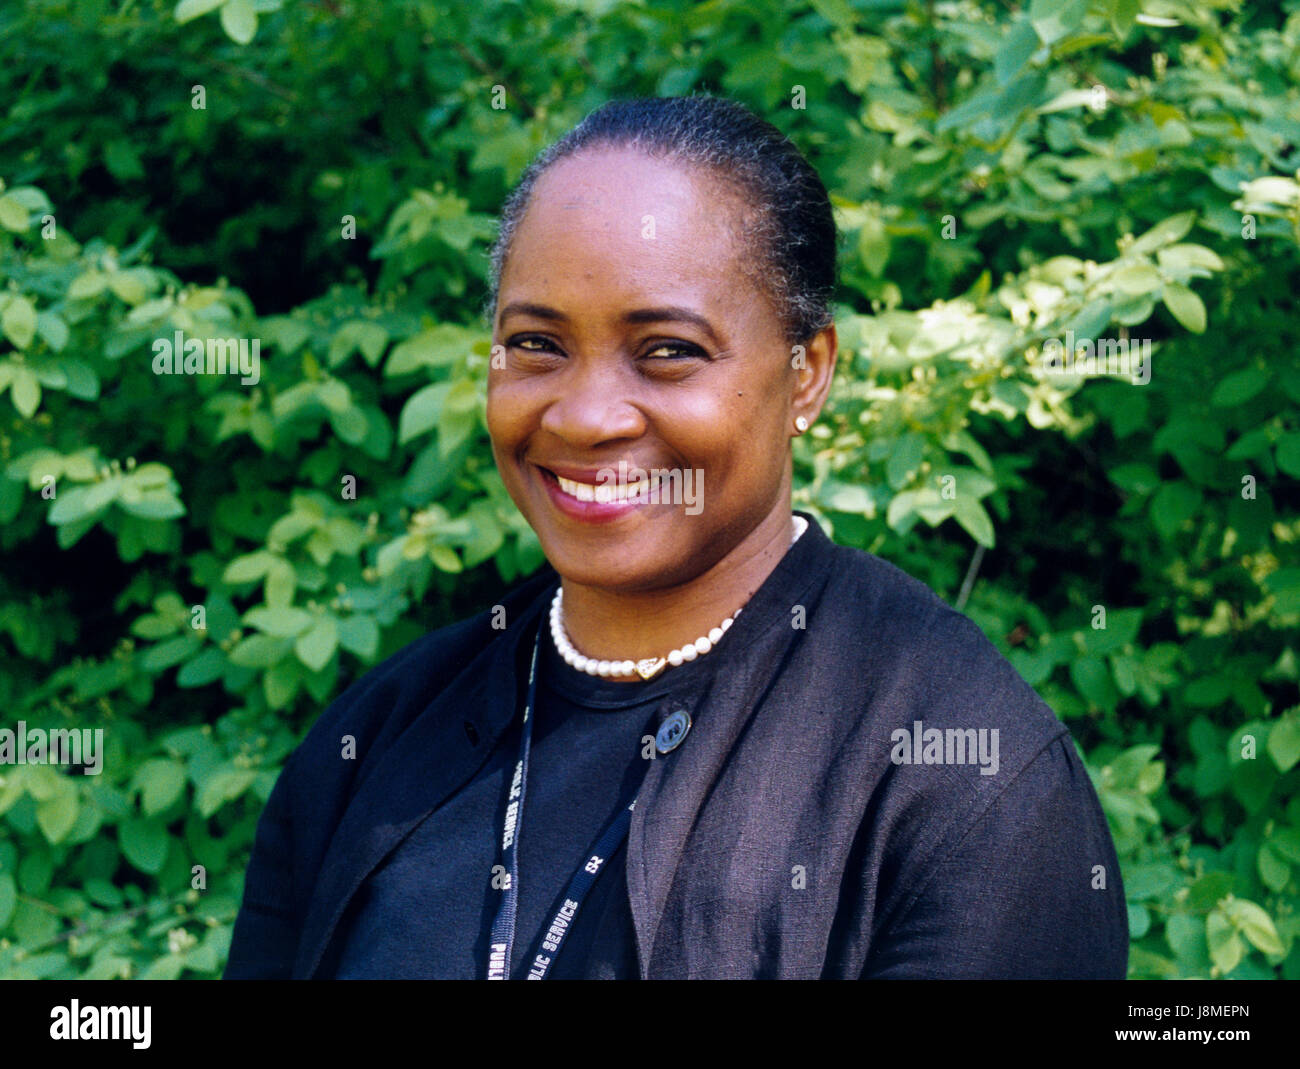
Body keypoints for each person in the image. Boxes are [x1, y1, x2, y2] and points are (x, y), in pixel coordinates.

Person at [224, 95, 1128, 980]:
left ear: (806, 374)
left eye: (666, 350)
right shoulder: (376, 739)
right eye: (537, 343)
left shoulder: (960, 773)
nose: (585, 417)